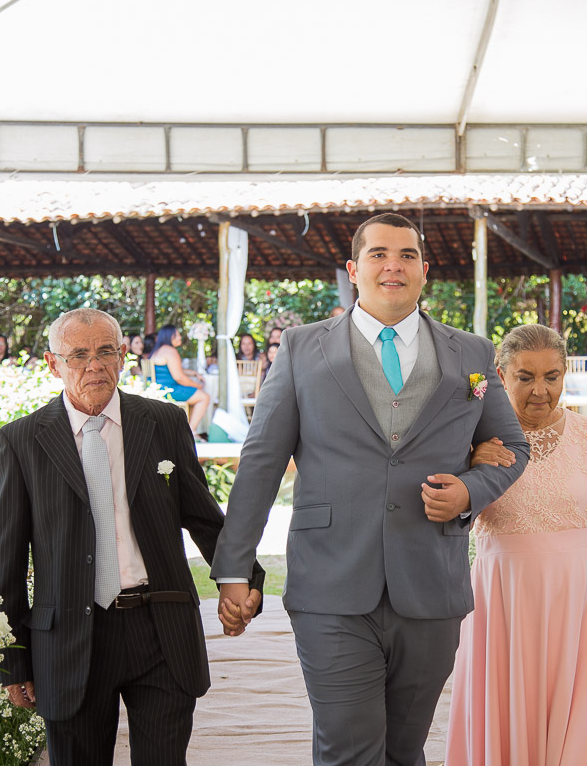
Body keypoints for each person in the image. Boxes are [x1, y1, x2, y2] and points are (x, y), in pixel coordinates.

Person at [210, 212, 529, 766]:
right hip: (330, 583)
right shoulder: (301, 348)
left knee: (404, 751)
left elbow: (513, 447)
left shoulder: (472, 354)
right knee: (349, 751)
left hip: (430, 584)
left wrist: (469, 491)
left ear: (425, 271)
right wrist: (234, 568)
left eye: (407, 255)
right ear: (354, 269)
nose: (393, 266)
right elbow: (261, 461)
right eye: (378, 254)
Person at [0, 308, 264, 766]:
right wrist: (11, 657)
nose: (94, 365)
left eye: (105, 352)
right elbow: (6, 560)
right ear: (53, 364)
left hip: (161, 628)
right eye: (79, 355)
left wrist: (243, 579)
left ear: (122, 357)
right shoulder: (23, 440)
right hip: (70, 637)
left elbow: (204, 518)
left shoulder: (163, 422)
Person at [446, 324, 587, 766]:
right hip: (505, 601)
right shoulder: (477, 440)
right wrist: (470, 464)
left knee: (583, 715)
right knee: (510, 709)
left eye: (551, 377)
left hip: (579, 600)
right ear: (500, 376)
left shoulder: (585, 434)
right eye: (525, 377)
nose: (540, 390)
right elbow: (453, 520)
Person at [149, 325, 212, 433]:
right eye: (177, 335)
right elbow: (179, 377)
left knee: (196, 395)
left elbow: (173, 369)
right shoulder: (170, 351)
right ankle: (191, 432)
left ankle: (186, 430)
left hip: (158, 388)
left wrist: (193, 373)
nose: (180, 337)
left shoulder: (158, 350)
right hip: (168, 390)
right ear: (170, 336)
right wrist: (197, 385)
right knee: (204, 397)